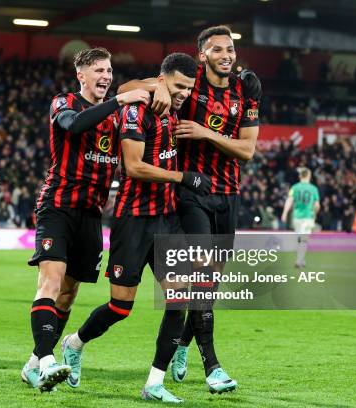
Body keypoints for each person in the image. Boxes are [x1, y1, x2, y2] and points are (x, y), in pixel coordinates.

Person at [118, 24, 262, 393]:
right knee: (197, 275)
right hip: (190, 193)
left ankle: (183, 343)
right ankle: (212, 365)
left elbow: (247, 152)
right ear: (202, 55)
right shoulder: (188, 82)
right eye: (217, 50)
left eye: (230, 49)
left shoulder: (246, 89)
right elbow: (123, 91)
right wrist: (158, 87)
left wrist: (204, 132)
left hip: (227, 194)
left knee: (208, 284)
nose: (226, 55)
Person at [61, 53, 211, 403]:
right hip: (133, 219)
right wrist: (184, 177)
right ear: (161, 79)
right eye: (178, 87)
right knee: (120, 307)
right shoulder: (136, 110)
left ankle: (154, 383)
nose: (184, 94)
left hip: (166, 218)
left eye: (189, 89)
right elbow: (133, 166)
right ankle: (74, 343)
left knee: (179, 297)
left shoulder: (175, 109)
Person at [22, 47, 151, 393]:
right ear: (81, 75)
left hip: (92, 215)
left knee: (68, 293)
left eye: (109, 71)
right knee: (49, 282)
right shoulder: (64, 103)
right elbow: (74, 125)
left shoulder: (116, 116)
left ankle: (35, 362)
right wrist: (121, 101)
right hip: (58, 207)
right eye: (98, 71)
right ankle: (48, 362)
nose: (106, 77)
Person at [281, 167, 320, 268]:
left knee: (301, 239)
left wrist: (284, 213)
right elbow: (316, 205)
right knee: (304, 239)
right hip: (308, 217)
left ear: (300, 176)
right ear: (309, 176)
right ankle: (299, 260)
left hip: (297, 217)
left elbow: (289, 200)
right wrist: (315, 214)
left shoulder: (294, 187)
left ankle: (301, 260)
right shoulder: (313, 189)